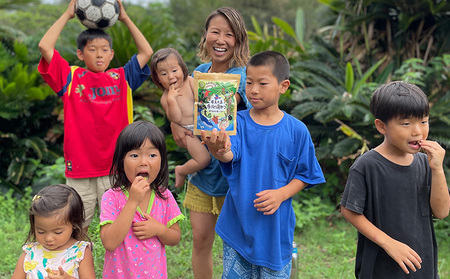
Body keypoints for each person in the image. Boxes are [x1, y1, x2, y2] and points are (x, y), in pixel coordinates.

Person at [201, 51, 326, 278]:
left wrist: (282, 194)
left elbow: (306, 174)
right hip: (237, 226)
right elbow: (228, 155)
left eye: (262, 83)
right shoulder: (236, 121)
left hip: (275, 233)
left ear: (283, 85)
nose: (254, 90)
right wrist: (216, 147)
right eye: (248, 83)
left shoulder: (297, 130)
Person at [37, 0, 153, 233]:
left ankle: (121, 270)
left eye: (104, 50)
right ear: (80, 53)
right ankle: (77, 270)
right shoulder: (71, 77)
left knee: (124, 229)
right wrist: (67, 14)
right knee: (77, 229)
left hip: (117, 168)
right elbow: (45, 47)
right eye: (92, 49)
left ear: (111, 54)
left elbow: (146, 51)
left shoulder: (123, 78)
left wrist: (125, 18)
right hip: (80, 169)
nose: (99, 55)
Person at [170, 7, 251, 278]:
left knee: (238, 247)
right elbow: (181, 112)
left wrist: (186, 116)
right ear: (205, 36)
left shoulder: (241, 75)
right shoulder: (199, 71)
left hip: (233, 177)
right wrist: (174, 123)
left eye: (229, 34)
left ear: (238, 41)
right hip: (204, 177)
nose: (221, 39)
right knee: (201, 243)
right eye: (215, 32)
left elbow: (221, 109)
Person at [340, 81, 450, 278]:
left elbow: (441, 212)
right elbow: (349, 210)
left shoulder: (426, 163)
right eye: (406, 123)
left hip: (420, 266)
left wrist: (437, 169)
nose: (417, 131)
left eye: (423, 121)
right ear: (382, 126)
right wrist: (388, 243)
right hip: (381, 268)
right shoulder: (367, 165)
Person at [99, 121, 185, 278]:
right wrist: (132, 202)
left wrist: (159, 229)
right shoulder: (111, 197)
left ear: (162, 161)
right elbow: (109, 243)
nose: (144, 162)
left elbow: (175, 238)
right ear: (121, 162)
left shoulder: (165, 197)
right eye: (134, 155)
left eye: (152, 155)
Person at [151, 48, 211, 188]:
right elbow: (176, 118)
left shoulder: (190, 81)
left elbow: (202, 99)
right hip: (188, 132)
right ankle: (182, 170)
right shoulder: (165, 98)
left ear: (183, 68)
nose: (171, 76)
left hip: (203, 124)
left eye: (174, 70)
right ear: (158, 78)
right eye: (164, 74)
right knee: (203, 160)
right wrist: (172, 101)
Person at [11, 184, 95, 279]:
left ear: (74, 224)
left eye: (58, 232)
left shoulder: (80, 253)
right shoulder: (30, 253)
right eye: (41, 232)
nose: (49, 238)